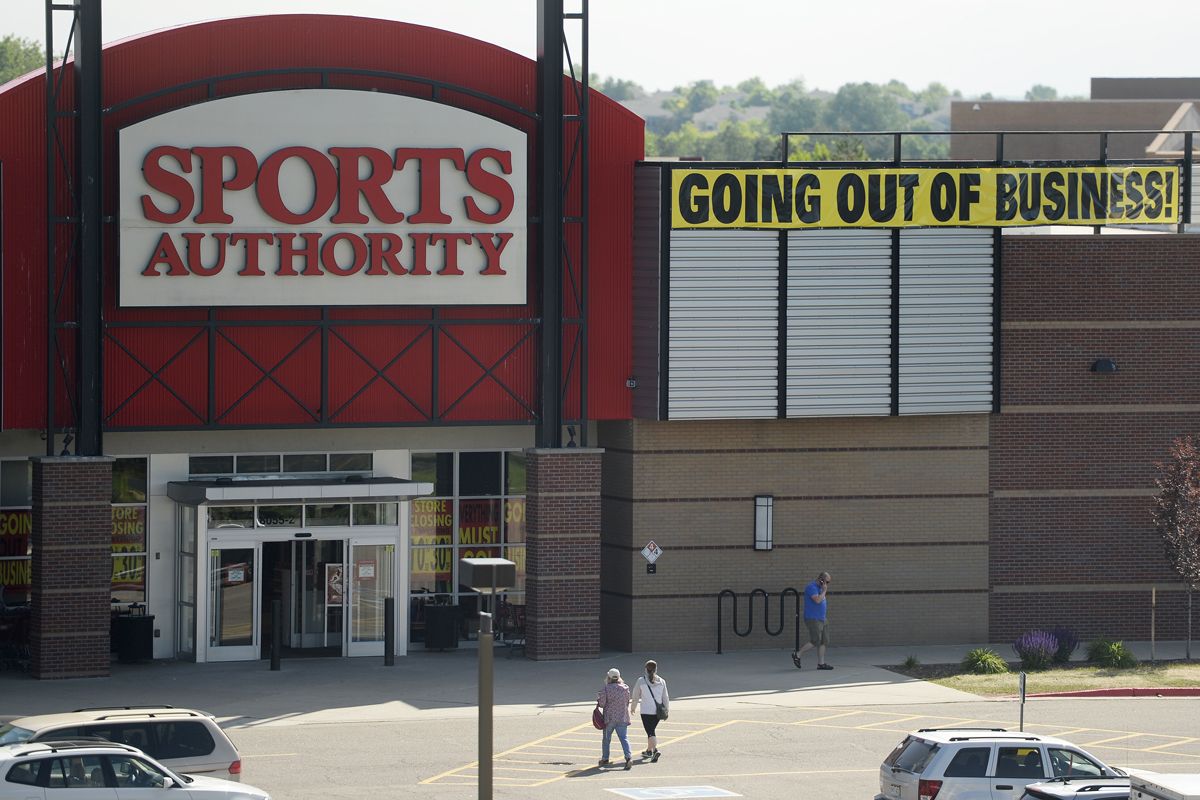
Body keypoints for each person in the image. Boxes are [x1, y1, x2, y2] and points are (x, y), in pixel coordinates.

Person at [629, 659, 669, 762]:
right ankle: (648, 751)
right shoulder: (662, 681)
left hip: (646, 711)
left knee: (650, 732)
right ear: (656, 669)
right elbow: (665, 697)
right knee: (651, 731)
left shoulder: (641, 681)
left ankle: (655, 750)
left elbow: (635, 696)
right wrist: (666, 710)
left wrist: (633, 707)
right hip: (658, 711)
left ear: (645, 670)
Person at [792, 571, 833, 670]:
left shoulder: (820, 588)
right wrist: (824, 590)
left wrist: (823, 589)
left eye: (828, 583)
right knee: (815, 640)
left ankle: (821, 663)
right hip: (813, 618)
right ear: (821, 579)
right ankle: (797, 654)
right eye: (826, 582)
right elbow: (818, 600)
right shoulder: (812, 587)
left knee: (824, 641)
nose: (827, 584)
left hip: (822, 618)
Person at [596, 667, 633, 769]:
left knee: (607, 739)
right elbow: (627, 702)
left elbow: (602, 704)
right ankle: (628, 757)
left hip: (609, 718)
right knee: (624, 738)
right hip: (622, 717)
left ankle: (605, 758)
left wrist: (599, 699)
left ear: (609, 677)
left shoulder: (606, 689)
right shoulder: (625, 688)